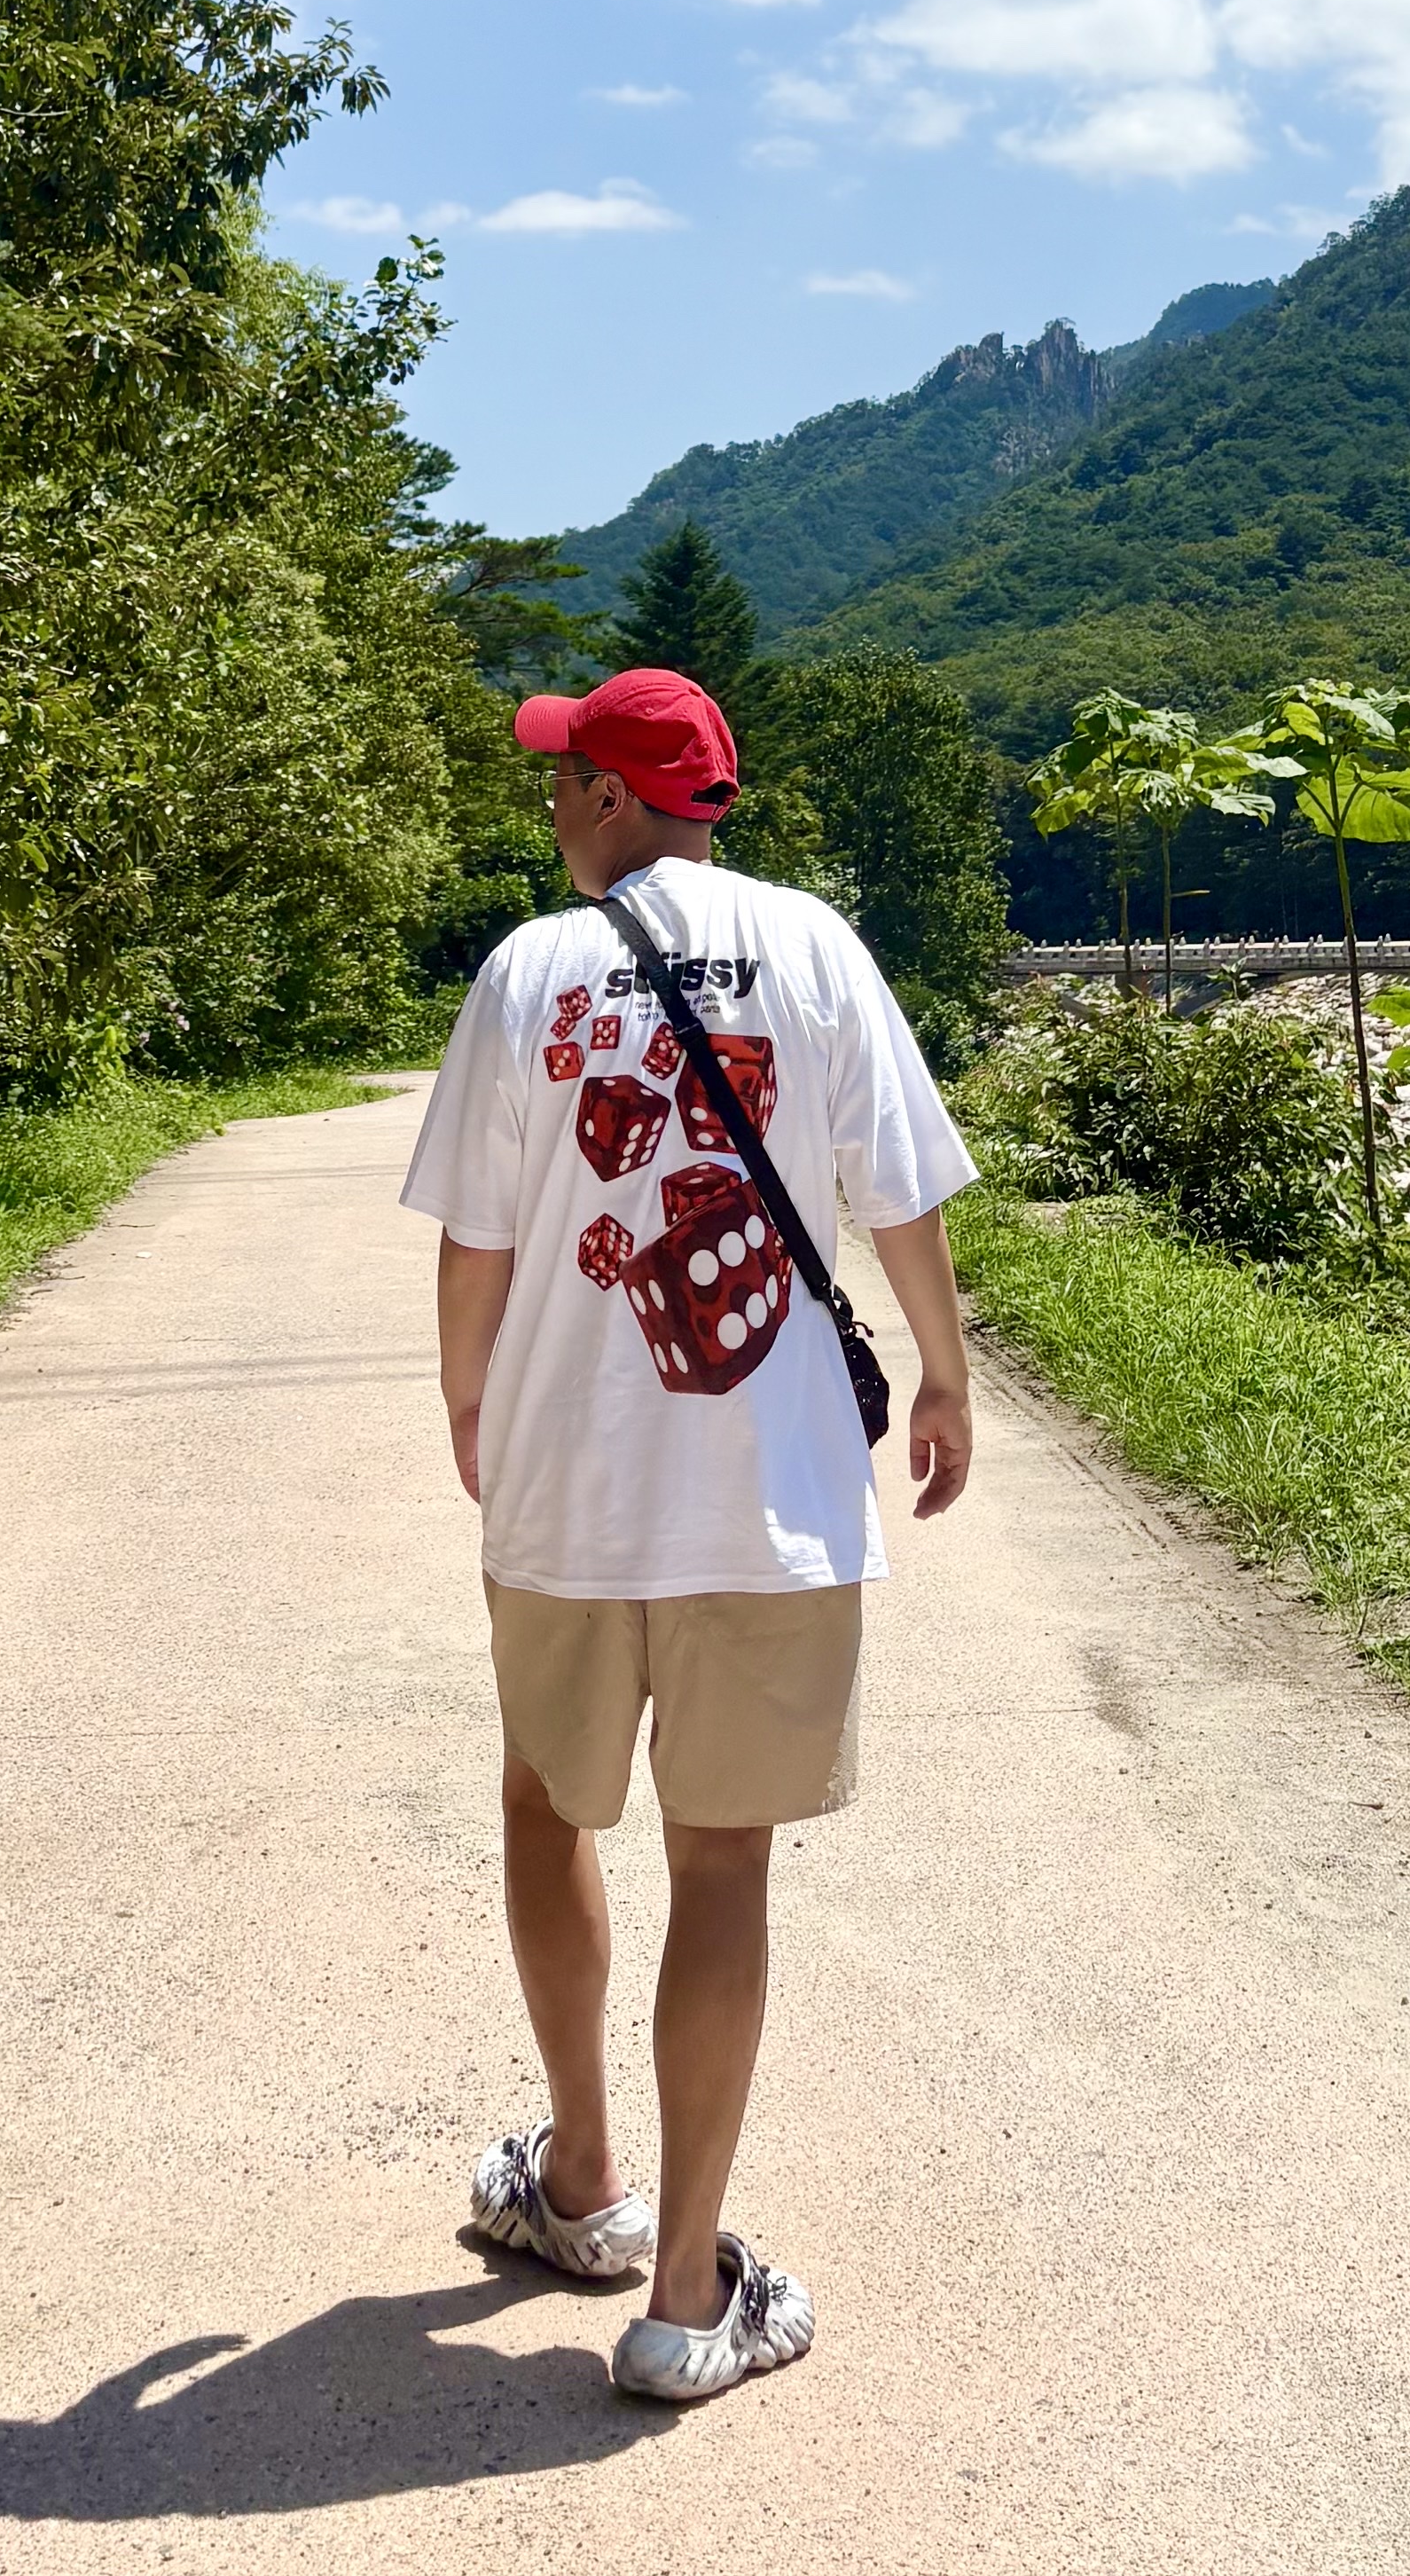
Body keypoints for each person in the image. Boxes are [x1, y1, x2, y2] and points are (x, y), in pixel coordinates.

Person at [398, 659, 977, 2405]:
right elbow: (904, 1189)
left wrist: (466, 1405)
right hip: (772, 1504)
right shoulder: (815, 949)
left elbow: (477, 1245)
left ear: (608, 798)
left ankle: (581, 2178)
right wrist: (945, 1376)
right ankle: (678, 2295)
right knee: (722, 1861)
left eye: (564, 776)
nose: (552, 802)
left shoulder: (528, 973)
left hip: (570, 1497)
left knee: (542, 1798)